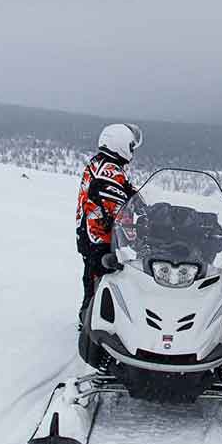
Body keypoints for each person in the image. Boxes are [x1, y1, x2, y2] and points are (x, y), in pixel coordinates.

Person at [75, 123, 143, 324]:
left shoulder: (101, 164)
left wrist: (149, 202)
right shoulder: (108, 174)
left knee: (95, 277)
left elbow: (128, 192)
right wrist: (139, 233)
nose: (132, 151)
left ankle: (93, 315)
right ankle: (92, 323)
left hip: (91, 236)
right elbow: (120, 208)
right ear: (119, 144)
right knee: (101, 281)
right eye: (130, 146)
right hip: (99, 239)